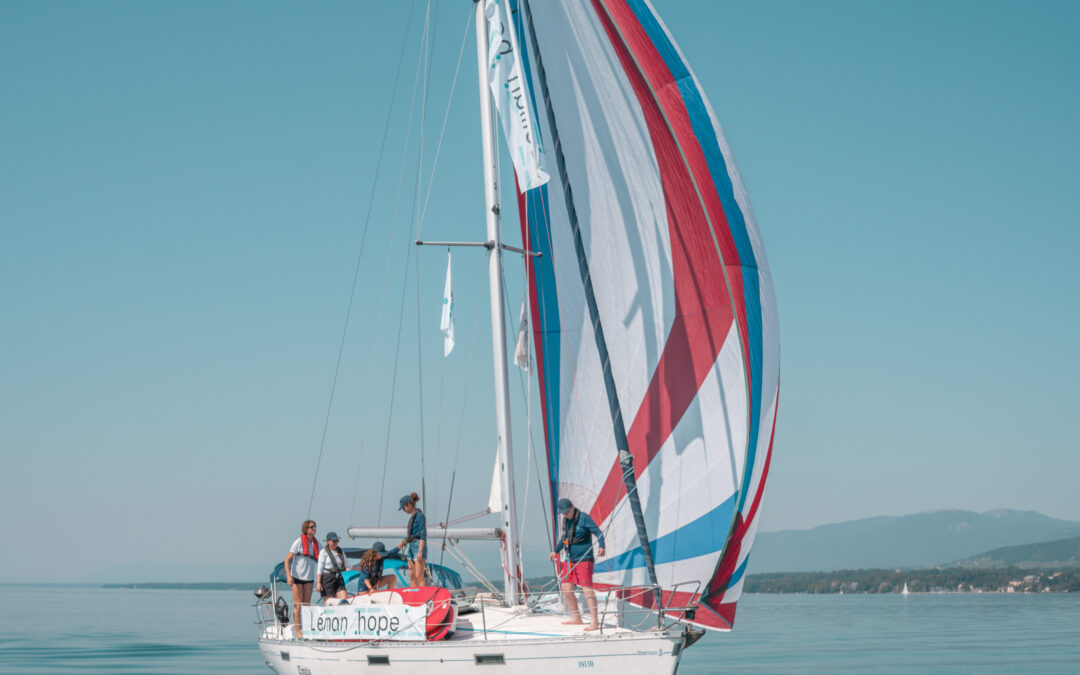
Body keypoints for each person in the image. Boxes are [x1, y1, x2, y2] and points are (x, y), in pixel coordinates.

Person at [548, 498, 605, 631]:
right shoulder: (565, 521)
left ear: (572, 507)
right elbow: (564, 539)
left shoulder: (584, 518)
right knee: (566, 588)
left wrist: (602, 546)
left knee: (586, 589)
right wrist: (555, 551)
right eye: (563, 513)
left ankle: (595, 622)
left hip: (584, 559)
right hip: (570, 559)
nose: (566, 514)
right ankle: (576, 617)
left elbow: (598, 532)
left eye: (567, 511)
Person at [284, 520, 319, 638]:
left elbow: (324, 555)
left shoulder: (316, 543)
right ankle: (298, 632)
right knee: (298, 605)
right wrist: (289, 576)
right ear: (306, 529)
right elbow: (287, 560)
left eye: (315, 527)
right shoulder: (298, 542)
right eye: (311, 527)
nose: (314, 529)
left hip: (309, 578)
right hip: (297, 577)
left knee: (306, 604)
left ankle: (307, 629)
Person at [398, 492, 427, 587]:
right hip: (411, 546)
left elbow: (423, 534)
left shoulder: (419, 515)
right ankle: (413, 594)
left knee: (419, 575)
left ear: (409, 505)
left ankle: (424, 597)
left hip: (418, 546)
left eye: (404, 508)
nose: (404, 510)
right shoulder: (412, 516)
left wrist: (420, 551)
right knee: (412, 575)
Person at [316, 531, 349, 602]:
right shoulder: (323, 552)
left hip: (338, 577)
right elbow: (320, 568)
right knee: (330, 602)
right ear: (328, 541)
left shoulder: (340, 551)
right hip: (327, 578)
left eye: (337, 541)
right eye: (333, 541)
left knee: (344, 600)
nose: (335, 543)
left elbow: (348, 565)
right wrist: (318, 582)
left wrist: (360, 569)